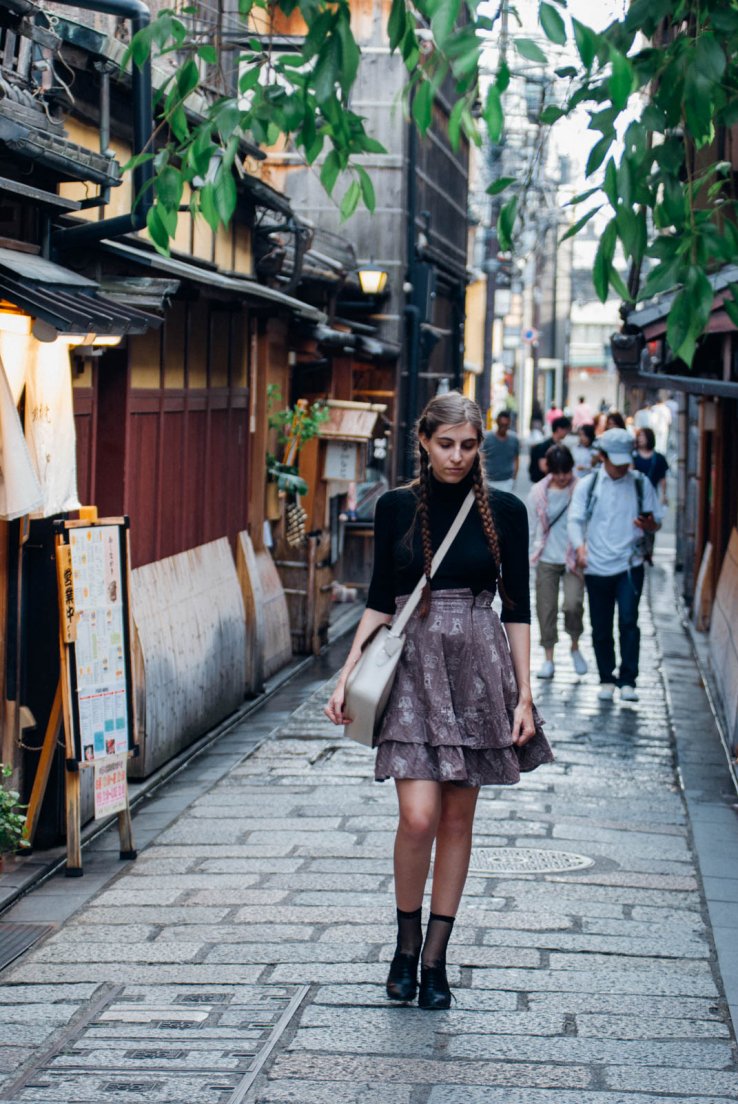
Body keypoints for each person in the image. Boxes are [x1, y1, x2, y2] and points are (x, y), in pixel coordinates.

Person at [324, 392, 553, 1011]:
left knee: (457, 818)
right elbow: (378, 599)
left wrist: (524, 695)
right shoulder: (397, 506)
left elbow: (520, 608)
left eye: (468, 445)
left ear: (481, 447)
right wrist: (346, 675)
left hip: (478, 668)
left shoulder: (505, 509)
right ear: (422, 441)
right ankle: (403, 945)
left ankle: (434, 960)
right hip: (411, 667)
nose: (456, 457)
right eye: (445, 444)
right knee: (419, 815)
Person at [568, 427, 663, 703]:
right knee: (601, 624)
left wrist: (649, 525)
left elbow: (656, 521)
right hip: (597, 564)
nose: (621, 468)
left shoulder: (640, 483)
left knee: (629, 621)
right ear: (603, 456)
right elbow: (575, 520)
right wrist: (580, 548)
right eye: (615, 462)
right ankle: (606, 677)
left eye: (624, 462)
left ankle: (628, 679)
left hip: (630, 564)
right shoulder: (589, 484)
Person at [527, 445, 587, 680]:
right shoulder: (537, 493)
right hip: (546, 557)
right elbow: (532, 528)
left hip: (573, 557)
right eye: (558, 472)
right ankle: (548, 658)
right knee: (546, 609)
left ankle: (574, 645)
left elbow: (587, 521)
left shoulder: (581, 489)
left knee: (573, 604)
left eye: (566, 471)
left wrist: (586, 547)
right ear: (549, 469)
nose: (563, 477)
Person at [480, 409, 520, 491]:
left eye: (506, 425)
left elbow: (516, 459)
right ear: (497, 422)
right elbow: (481, 458)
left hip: (507, 481)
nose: (503, 427)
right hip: (489, 481)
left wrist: (514, 478)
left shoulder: (514, 439)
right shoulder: (487, 437)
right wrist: (482, 478)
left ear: (509, 424)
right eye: (501, 424)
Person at [528, 415, 572, 484]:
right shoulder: (545, 446)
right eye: (566, 430)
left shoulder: (560, 445)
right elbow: (543, 467)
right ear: (559, 429)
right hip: (544, 482)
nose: (567, 433)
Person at [633, 427, 669, 506]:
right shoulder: (632, 456)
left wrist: (664, 494)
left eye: (643, 436)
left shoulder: (659, 458)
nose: (640, 439)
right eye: (639, 436)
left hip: (652, 495)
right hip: (634, 494)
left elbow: (662, 478)